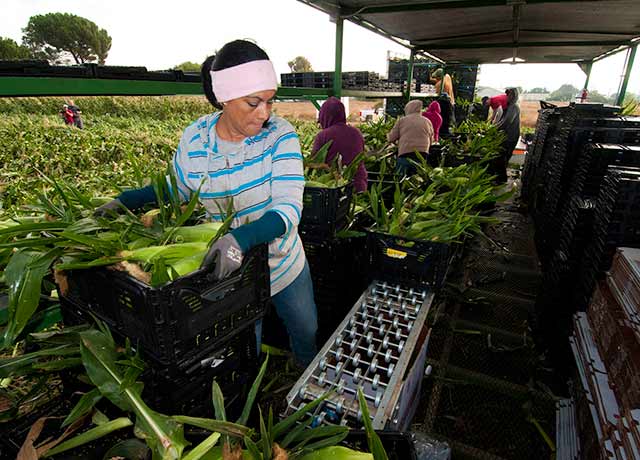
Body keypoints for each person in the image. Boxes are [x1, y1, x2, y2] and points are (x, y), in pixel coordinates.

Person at [95, 40, 318, 366]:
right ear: (223, 98)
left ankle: (303, 375)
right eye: (254, 103)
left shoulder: (280, 136)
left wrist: (240, 239)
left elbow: (288, 209)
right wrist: (126, 201)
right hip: (230, 271)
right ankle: (253, 401)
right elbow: (180, 190)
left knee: (306, 327)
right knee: (245, 344)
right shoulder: (196, 139)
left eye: (271, 102)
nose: (265, 113)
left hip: (282, 261)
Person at [311, 97, 367, 192]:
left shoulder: (323, 135)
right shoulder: (357, 133)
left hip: (335, 190)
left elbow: (313, 163)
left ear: (324, 117)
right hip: (359, 185)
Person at [387, 99, 434, 176]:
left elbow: (391, 138)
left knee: (400, 178)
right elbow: (431, 139)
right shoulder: (427, 121)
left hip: (405, 154)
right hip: (422, 155)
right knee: (418, 178)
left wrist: (388, 136)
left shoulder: (402, 120)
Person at [491, 87, 521, 183]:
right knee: (501, 157)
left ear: (514, 96)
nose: (508, 97)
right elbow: (501, 120)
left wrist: (494, 128)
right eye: (507, 94)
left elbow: (507, 121)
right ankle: (499, 177)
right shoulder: (508, 106)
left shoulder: (514, 107)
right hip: (506, 136)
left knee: (502, 157)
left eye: (510, 95)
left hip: (510, 137)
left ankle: (501, 179)